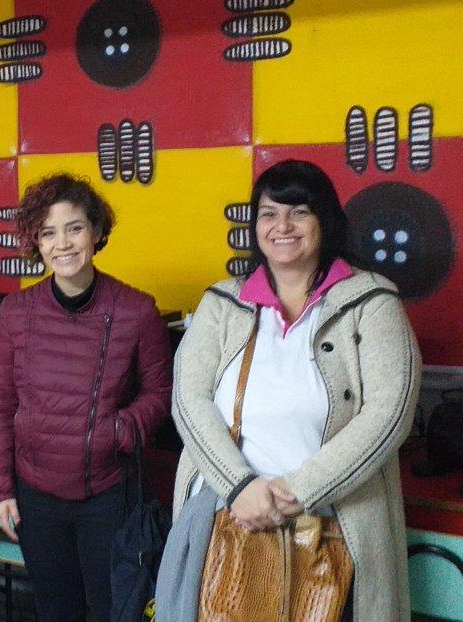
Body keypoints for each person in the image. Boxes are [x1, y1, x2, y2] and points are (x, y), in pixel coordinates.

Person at [170, 159, 421, 620]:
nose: (282, 226)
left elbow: (390, 413)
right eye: (268, 214)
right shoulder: (222, 302)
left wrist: (298, 491)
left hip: (333, 525)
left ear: (325, 220)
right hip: (226, 516)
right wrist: (240, 487)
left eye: (298, 212)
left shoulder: (371, 301)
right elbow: (189, 402)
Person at [0, 173, 172, 622]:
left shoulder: (137, 311)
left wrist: (119, 429)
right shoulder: (15, 312)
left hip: (108, 494)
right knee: (55, 610)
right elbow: (1, 404)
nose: (62, 244)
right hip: (36, 495)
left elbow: (160, 394)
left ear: (96, 231)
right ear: (36, 242)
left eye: (74, 228)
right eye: (48, 233)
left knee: (113, 609)